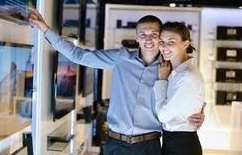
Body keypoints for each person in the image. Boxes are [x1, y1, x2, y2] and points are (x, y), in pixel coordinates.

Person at [28, 9, 205, 155]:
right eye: (142, 34)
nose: (148, 39)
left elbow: (189, 93)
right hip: (115, 145)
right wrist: (45, 29)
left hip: (149, 146)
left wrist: (200, 113)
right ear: (136, 38)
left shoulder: (170, 69)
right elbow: (78, 55)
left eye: (154, 34)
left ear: (160, 38)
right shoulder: (120, 58)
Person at [154, 22, 205, 155]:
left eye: (171, 42)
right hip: (173, 140)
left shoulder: (186, 75)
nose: (164, 46)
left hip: (182, 145)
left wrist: (161, 81)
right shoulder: (174, 70)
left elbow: (163, 116)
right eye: (161, 41)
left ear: (185, 44)